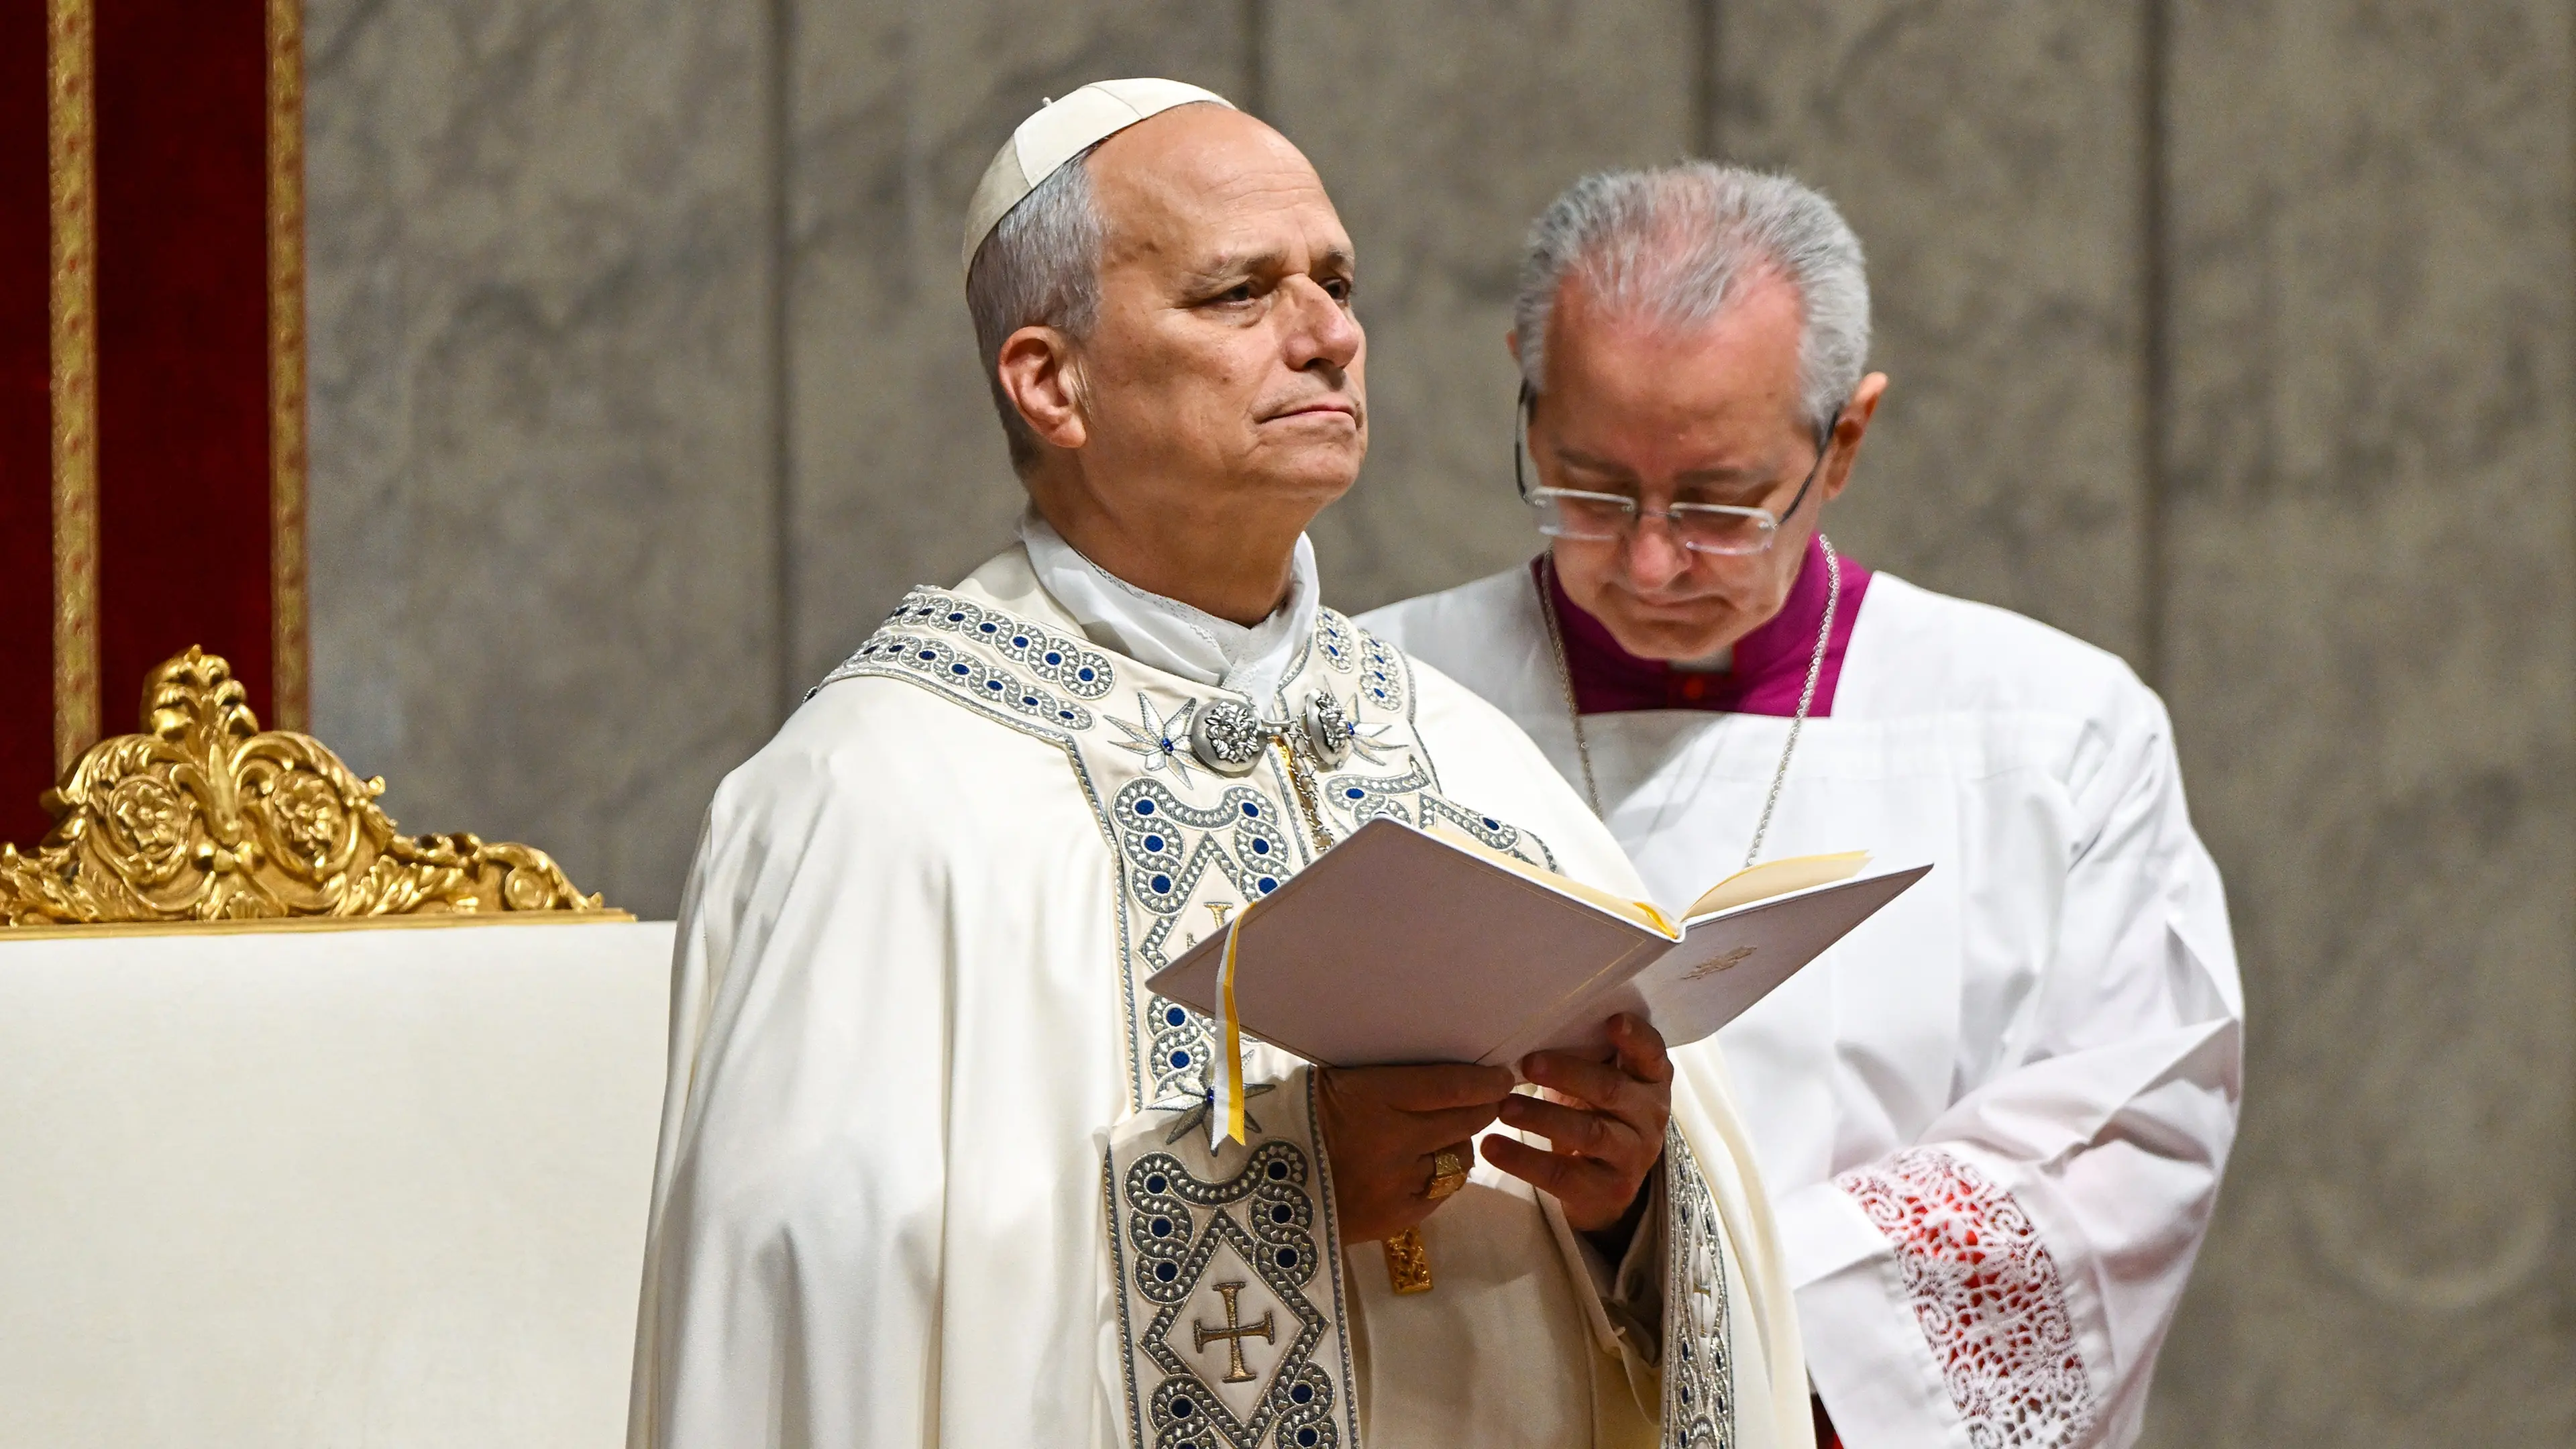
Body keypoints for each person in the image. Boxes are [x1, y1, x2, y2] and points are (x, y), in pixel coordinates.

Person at [629, 84, 1815, 1449]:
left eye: (1337, 284)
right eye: (1240, 293)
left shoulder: (1458, 749)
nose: (1329, 337)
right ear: (1051, 382)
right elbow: (827, 1323)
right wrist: (1281, 1196)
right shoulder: (871, 799)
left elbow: (1708, 1276)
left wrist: (1628, 1197)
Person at [1364, 162, 2243, 1449]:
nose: (1651, 560)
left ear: (1845, 441)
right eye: (1590, 489)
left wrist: (1683, 1245)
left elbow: (2117, 1146)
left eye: (1719, 506)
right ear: (1525, 392)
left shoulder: (2055, 734)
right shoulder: (1373, 703)